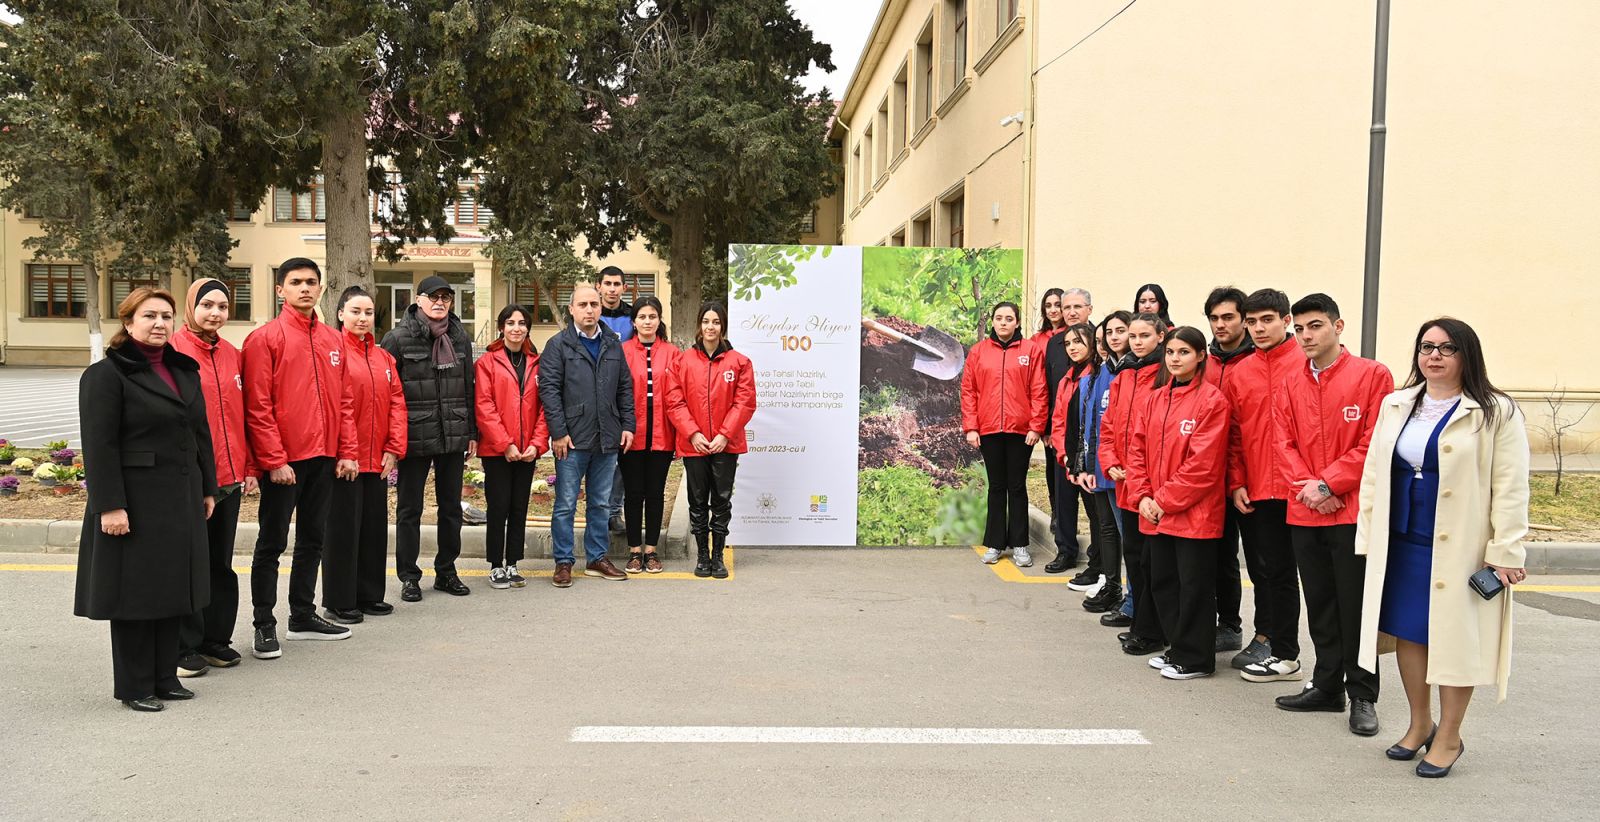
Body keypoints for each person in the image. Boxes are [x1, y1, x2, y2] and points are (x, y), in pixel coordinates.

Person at [1356, 318, 1529, 778]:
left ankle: (1449, 736)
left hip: (1461, 543)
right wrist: (1368, 536)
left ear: (1467, 355)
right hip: (1403, 538)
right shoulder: (1398, 404)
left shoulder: (1495, 411)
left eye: (1447, 348)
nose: (1434, 355)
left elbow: (1511, 487)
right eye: (1426, 347)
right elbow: (1374, 472)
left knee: (1454, 639)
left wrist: (1505, 550)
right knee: (1409, 632)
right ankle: (1420, 724)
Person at [76, 288, 217, 711]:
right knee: (136, 594)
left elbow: (199, 434)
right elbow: (99, 446)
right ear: (128, 321)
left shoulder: (183, 371)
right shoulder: (106, 376)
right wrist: (109, 505)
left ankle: (164, 678)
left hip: (180, 496)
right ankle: (135, 686)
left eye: (166, 316)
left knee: (172, 587)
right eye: (149, 315)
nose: (159, 323)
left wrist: (207, 487)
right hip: (134, 501)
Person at [1271, 293, 1393, 736]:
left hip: (1352, 512)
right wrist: (1311, 489)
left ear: (1338, 327)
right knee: (1320, 603)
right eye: (1299, 328)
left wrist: (1329, 484)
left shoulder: (1372, 375)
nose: (1306, 336)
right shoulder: (1289, 382)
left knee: (1356, 608)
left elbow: (1375, 441)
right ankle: (1325, 686)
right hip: (1306, 510)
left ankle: (1362, 694)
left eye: (1315, 326)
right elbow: (1282, 443)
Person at [242, 258, 359, 658]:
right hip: (285, 463)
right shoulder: (264, 339)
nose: (305, 288)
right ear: (281, 290)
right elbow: (257, 405)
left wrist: (346, 451)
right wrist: (274, 460)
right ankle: (263, 624)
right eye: (296, 282)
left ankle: (302, 616)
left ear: (320, 288)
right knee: (271, 543)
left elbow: (344, 401)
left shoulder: (333, 340)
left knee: (313, 539)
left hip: (323, 457)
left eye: (311, 282)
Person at [1127, 326, 1231, 680]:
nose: (1175, 358)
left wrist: (1163, 500)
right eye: (1170, 352)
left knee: (1194, 588)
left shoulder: (1212, 401)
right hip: (1156, 511)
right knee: (1164, 582)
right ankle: (1178, 648)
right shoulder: (1154, 399)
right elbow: (1137, 451)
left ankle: (1197, 658)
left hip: (1194, 514)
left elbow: (1203, 465)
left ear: (1201, 356)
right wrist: (1143, 495)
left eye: (1184, 352)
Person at [170, 278, 255, 677]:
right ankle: (183, 646)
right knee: (189, 562)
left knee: (220, 562)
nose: (216, 313)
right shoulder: (172, 353)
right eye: (207, 305)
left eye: (222, 306)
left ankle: (215, 639)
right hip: (190, 478)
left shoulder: (233, 355)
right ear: (191, 306)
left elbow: (244, 415)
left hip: (229, 477)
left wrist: (249, 467)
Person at [382, 275, 476, 602]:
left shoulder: (459, 337)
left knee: (450, 508)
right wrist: (392, 439)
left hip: (452, 433)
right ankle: (409, 576)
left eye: (445, 298)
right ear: (418, 299)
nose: (439, 303)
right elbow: (388, 393)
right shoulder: (397, 339)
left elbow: (468, 386)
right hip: (414, 435)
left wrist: (471, 432)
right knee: (410, 509)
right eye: (433, 297)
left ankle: (446, 572)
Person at [1229, 289, 1307, 678]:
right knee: (1272, 572)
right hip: (1260, 488)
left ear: (1285, 320)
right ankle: (1279, 648)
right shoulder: (1241, 372)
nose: (1259, 329)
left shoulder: (1306, 362)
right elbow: (1234, 434)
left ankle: (1335, 667)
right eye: (1252, 322)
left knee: (1317, 579)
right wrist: (1237, 481)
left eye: (1267, 320)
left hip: (1305, 489)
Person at [540, 284, 635, 587]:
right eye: (583, 305)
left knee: (601, 503)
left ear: (600, 308)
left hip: (607, 437)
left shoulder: (612, 343)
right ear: (571, 310)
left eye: (594, 304)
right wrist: (558, 432)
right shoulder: (558, 345)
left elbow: (624, 388)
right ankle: (563, 561)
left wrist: (627, 425)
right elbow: (549, 391)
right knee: (566, 504)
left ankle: (597, 558)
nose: (589, 310)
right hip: (572, 440)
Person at [322, 287, 407, 622]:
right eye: (355, 311)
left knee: (373, 529)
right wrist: (346, 451)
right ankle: (339, 601)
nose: (362, 318)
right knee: (343, 531)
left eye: (368, 312)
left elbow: (397, 404)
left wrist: (393, 448)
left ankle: (369, 595)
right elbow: (337, 406)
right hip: (346, 459)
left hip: (377, 459)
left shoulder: (383, 358)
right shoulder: (334, 352)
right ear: (341, 313)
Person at [665, 302, 758, 578]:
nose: (710, 327)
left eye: (716, 322)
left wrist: (724, 435)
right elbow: (674, 401)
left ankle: (718, 555)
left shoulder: (740, 362)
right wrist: (692, 433)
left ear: (723, 326)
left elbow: (745, 402)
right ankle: (702, 556)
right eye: (706, 321)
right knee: (697, 501)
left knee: (721, 500)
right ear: (699, 325)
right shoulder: (682, 361)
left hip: (725, 445)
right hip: (694, 444)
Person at [961, 302, 1048, 567]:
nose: (1003, 323)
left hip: (1021, 431)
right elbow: (969, 391)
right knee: (997, 487)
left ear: (1017, 322)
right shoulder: (979, 352)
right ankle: (995, 544)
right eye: (999, 318)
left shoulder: (1031, 351)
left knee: (1017, 487)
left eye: (1009, 318)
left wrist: (1036, 426)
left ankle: (1020, 545)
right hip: (989, 430)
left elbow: (1039, 389)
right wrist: (971, 427)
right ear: (993, 322)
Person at [1098, 313, 1167, 648]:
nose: (1137, 342)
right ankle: (1141, 622)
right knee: (1136, 557)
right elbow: (1108, 425)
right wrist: (1110, 461)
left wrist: (1141, 472)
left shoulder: (1166, 374)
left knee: (1155, 562)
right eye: (1134, 336)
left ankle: (1156, 628)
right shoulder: (1124, 374)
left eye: (1144, 336)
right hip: (1125, 481)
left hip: (1151, 484)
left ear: (1160, 336)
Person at [473, 304, 550, 590]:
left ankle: (513, 563)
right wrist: (505, 444)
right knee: (498, 506)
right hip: (497, 451)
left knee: (519, 507)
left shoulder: (537, 363)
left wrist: (537, 444)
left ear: (528, 328)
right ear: (501, 327)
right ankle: (496, 564)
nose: (516, 328)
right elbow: (484, 406)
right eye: (510, 323)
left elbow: (545, 408)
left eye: (521, 323)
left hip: (527, 450)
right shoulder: (487, 363)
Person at [1203, 286, 1254, 654]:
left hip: (1250, 480)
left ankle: (1264, 637)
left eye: (1228, 317)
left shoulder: (1255, 362)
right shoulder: (1205, 362)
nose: (1220, 324)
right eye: (1214, 318)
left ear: (1243, 321)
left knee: (1261, 564)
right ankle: (1225, 625)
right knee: (1218, 557)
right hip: (1209, 478)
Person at [1075, 313, 1132, 615]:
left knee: (1127, 535)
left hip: (1122, 469)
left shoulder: (1131, 372)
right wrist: (1085, 465)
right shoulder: (1098, 374)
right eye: (1104, 336)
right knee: (1107, 529)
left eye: (1119, 331)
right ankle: (1112, 586)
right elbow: (1089, 426)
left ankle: (1133, 599)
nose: (1109, 340)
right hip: (1099, 464)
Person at [620, 297, 679, 573]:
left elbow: (678, 397)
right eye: (642, 317)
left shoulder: (672, 353)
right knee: (633, 494)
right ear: (634, 321)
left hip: (662, 435)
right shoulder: (621, 352)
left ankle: (651, 551)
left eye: (652, 316)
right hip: (631, 436)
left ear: (659, 320)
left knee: (655, 493)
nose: (647, 321)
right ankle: (634, 551)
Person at [1044, 321, 1096, 573]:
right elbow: (1058, 418)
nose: (1072, 348)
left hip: (1087, 456)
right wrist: (1062, 452)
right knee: (1064, 505)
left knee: (1095, 511)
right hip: (1065, 454)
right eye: (1067, 344)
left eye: (1078, 342)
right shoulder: (1067, 378)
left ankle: (1098, 558)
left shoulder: (1096, 376)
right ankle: (1065, 551)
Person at [598, 266, 635, 535]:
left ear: (624, 288)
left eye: (617, 284)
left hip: (623, 394)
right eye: (607, 283)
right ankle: (598, 512)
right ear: (598, 286)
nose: (612, 289)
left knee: (622, 457)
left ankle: (614, 512)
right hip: (594, 394)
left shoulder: (632, 316)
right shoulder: (590, 313)